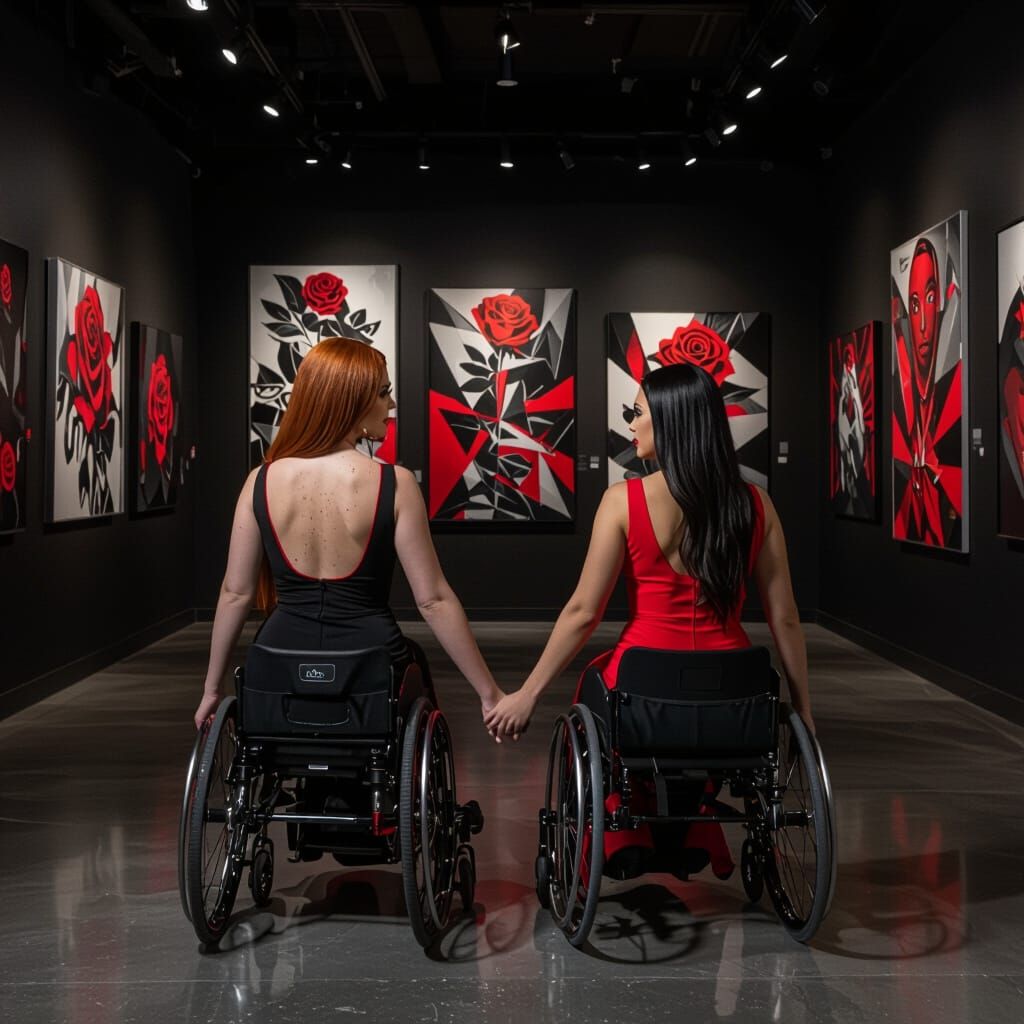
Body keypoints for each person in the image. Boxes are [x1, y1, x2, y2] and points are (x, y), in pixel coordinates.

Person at [484, 362, 813, 875]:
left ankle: (625, 835)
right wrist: (804, 711)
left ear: (671, 420)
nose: (631, 425)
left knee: (598, 693)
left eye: (638, 413)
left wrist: (528, 693)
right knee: (702, 734)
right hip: (733, 691)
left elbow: (583, 612)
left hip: (643, 683)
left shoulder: (623, 502)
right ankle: (693, 829)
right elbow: (785, 619)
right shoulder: (756, 505)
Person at [193, 336, 503, 730]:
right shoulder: (395, 483)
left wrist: (212, 689)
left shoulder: (260, 480)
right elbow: (433, 601)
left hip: (279, 660)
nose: (392, 404)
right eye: (384, 392)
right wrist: (489, 693)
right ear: (350, 401)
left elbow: (236, 593)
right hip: (369, 664)